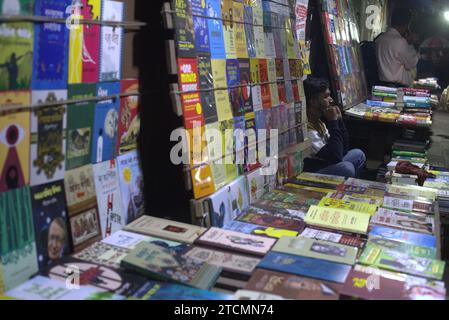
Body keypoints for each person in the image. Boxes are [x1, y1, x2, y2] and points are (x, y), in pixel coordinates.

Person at [302, 77, 366, 178]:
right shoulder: (307, 130)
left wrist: (339, 121)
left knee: (358, 154)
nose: (331, 99)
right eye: (326, 96)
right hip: (314, 171)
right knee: (347, 168)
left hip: (327, 163)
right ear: (313, 102)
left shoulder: (319, 122)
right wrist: (333, 122)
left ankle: (350, 188)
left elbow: (342, 150)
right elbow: (335, 157)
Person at [375, 8, 420, 87]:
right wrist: (411, 44)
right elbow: (411, 63)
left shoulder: (380, 39)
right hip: (397, 88)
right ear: (407, 24)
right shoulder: (400, 42)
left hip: (382, 85)